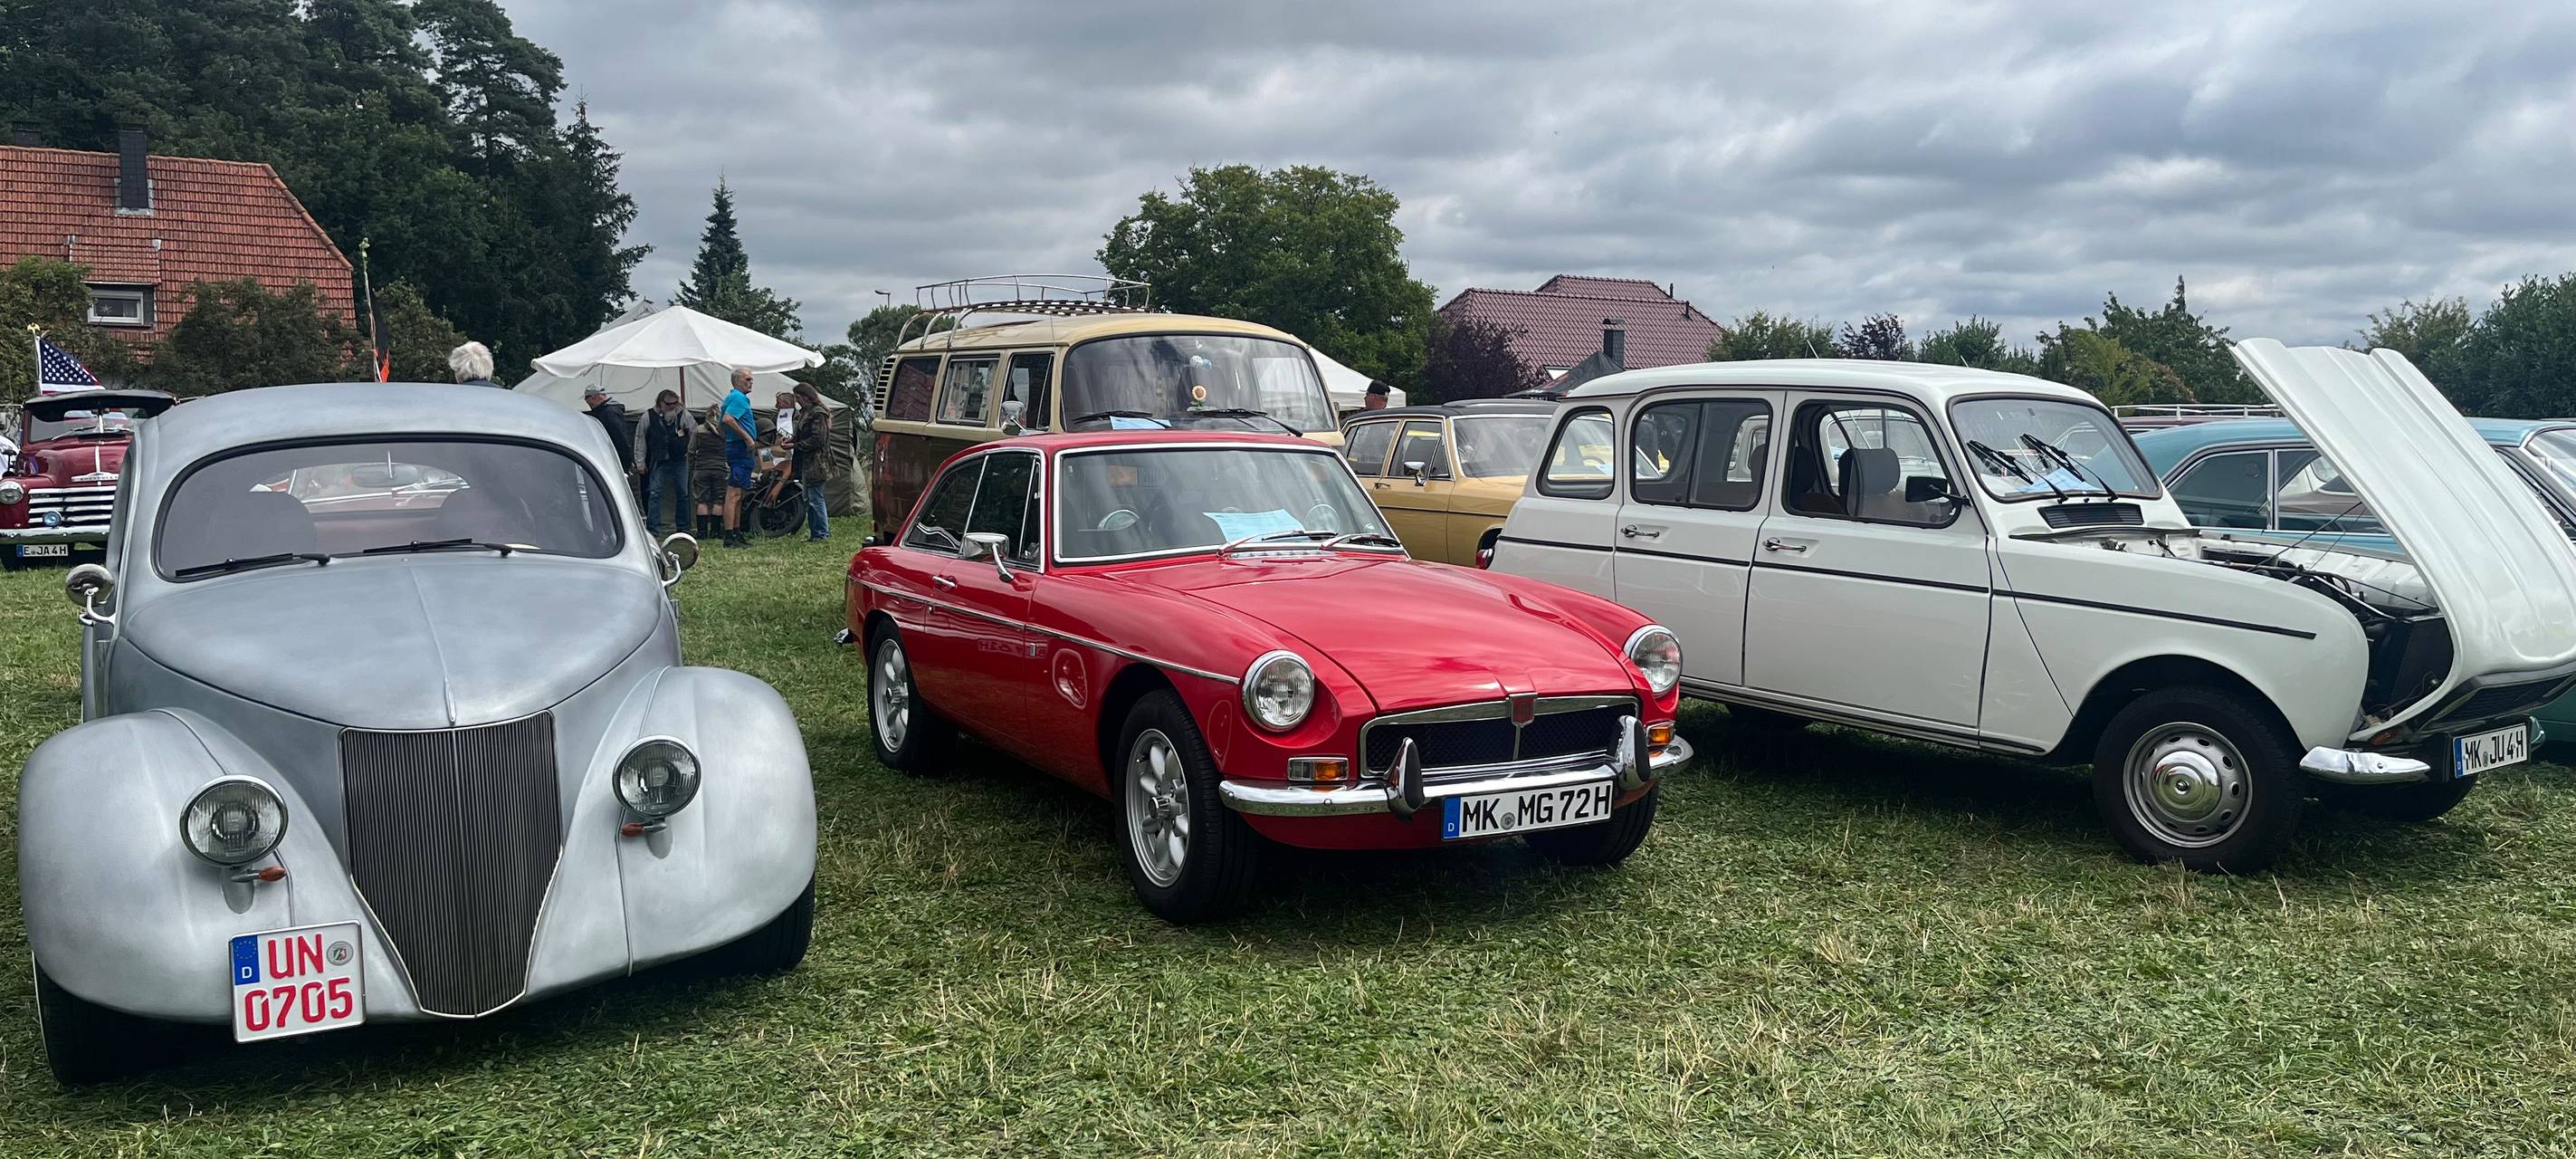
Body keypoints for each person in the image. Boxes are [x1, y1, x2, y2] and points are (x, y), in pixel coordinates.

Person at [635, 388, 697, 535]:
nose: (672, 407)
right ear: (660, 403)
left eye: (675, 403)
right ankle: (653, 529)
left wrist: (692, 453)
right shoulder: (648, 416)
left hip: (680, 460)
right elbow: (640, 439)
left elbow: (695, 433)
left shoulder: (684, 415)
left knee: (683, 494)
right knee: (654, 493)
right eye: (668, 404)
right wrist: (640, 462)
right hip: (659, 460)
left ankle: (683, 528)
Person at [718, 368, 760, 548]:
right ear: (737, 381)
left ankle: (736, 532)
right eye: (747, 379)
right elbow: (727, 419)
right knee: (734, 493)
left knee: (740, 493)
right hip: (740, 448)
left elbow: (721, 425)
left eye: (751, 379)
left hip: (735, 446)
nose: (751, 382)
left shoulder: (730, 398)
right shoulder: (738, 398)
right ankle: (729, 535)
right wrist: (747, 438)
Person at [787, 383, 833, 541]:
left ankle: (821, 534)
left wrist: (796, 445)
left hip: (817, 462)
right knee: (808, 498)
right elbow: (803, 434)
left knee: (815, 498)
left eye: (798, 397)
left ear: (806, 396)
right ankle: (815, 533)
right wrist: (791, 440)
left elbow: (818, 439)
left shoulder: (818, 413)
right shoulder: (805, 413)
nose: (797, 401)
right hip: (806, 462)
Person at [688, 400, 730, 540]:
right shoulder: (725, 431)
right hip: (721, 469)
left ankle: (702, 533)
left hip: (702, 469)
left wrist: (693, 466)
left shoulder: (698, 430)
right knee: (719, 501)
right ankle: (715, 532)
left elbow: (691, 451)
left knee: (702, 501)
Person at [583, 387, 638, 482]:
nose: (587, 402)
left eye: (587, 399)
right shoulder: (608, 411)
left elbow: (619, 438)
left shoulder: (609, 413)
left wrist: (626, 461)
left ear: (593, 397)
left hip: (615, 459)